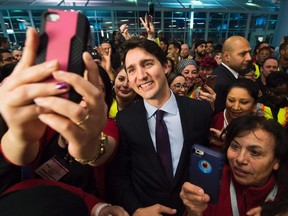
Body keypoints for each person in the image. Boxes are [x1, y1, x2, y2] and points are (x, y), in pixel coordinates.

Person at [0, 28, 127, 216]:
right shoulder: (48, 121)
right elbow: (21, 155)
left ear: (106, 97)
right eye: (79, 85)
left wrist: (89, 149)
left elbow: (104, 148)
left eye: (96, 87)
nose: (85, 93)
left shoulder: (108, 125)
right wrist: (19, 136)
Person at [107, 37, 212, 216]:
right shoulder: (125, 119)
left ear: (165, 66)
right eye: (131, 70)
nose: (140, 76)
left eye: (147, 64)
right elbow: (119, 176)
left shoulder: (199, 111)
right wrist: (136, 210)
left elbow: (204, 163)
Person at [180, 115, 288, 216]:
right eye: (235, 146)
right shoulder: (211, 183)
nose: (240, 159)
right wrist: (193, 212)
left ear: (276, 161)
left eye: (255, 152)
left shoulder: (283, 195)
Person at [210, 78, 259, 148]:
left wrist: (227, 143)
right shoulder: (212, 121)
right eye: (231, 100)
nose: (235, 107)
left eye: (243, 102)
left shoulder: (258, 130)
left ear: (254, 105)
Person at [212, 36, 252, 114]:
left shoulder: (228, 74)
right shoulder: (222, 83)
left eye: (249, 52)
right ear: (227, 56)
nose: (249, 58)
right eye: (243, 54)